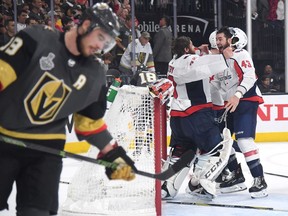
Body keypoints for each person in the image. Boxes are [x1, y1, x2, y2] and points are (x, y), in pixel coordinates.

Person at [0, 3, 136, 216]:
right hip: (4, 137)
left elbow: (89, 123)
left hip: (46, 149)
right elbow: (2, 73)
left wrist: (112, 154)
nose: (101, 47)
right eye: (101, 37)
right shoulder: (36, 38)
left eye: (107, 43)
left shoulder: (95, 73)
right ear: (86, 25)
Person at [160, 36, 234, 200]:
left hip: (178, 117)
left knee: (183, 151)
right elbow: (199, 65)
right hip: (196, 114)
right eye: (192, 45)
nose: (195, 48)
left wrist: (203, 52)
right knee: (217, 147)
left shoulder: (173, 62)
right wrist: (223, 56)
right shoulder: (189, 60)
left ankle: (168, 187)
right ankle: (198, 184)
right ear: (186, 49)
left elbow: (195, 65)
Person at [213, 26, 268, 198]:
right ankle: (236, 176)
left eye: (220, 39)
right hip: (229, 103)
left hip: (246, 100)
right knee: (222, 140)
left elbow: (250, 76)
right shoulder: (217, 60)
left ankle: (259, 180)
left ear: (230, 40)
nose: (217, 42)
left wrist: (237, 95)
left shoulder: (241, 54)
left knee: (244, 141)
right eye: (216, 39)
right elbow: (215, 84)